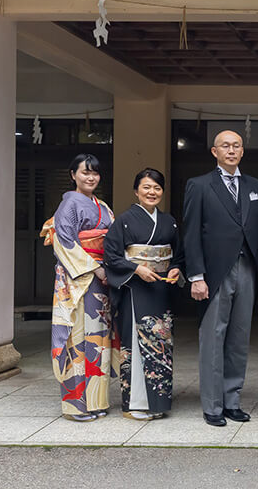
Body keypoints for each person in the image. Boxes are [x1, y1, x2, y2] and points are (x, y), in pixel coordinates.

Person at [183, 129, 258, 427]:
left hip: (247, 267)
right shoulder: (199, 185)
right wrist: (196, 276)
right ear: (214, 151)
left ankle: (232, 400)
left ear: (242, 152)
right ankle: (212, 405)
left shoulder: (254, 185)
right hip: (214, 271)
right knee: (213, 337)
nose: (231, 150)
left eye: (236, 146)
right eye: (225, 146)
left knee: (238, 338)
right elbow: (191, 232)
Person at [104, 167, 184, 421]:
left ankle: (158, 402)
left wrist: (175, 268)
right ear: (136, 191)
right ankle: (135, 403)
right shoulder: (124, 221)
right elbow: (112, 256)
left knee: (161, 345)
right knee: (136, 343)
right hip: (135, 288)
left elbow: (178, 253)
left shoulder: (169, 221)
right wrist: (137, 269)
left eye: (157, 188)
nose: (152, 192)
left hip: (160, 288)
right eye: (147, 187)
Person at [46, 153, 115, 422]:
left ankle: (97, 401)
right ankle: (75, 405)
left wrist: (110, 267)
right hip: (79, 279)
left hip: (101, 278)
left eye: (95, 173)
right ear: (73, 175)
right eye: (85, 172)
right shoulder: (69, 204)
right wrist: (95, 267)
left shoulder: (104, 207)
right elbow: (64, 243)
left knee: (98, 338)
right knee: (77, 338)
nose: (90, 177)